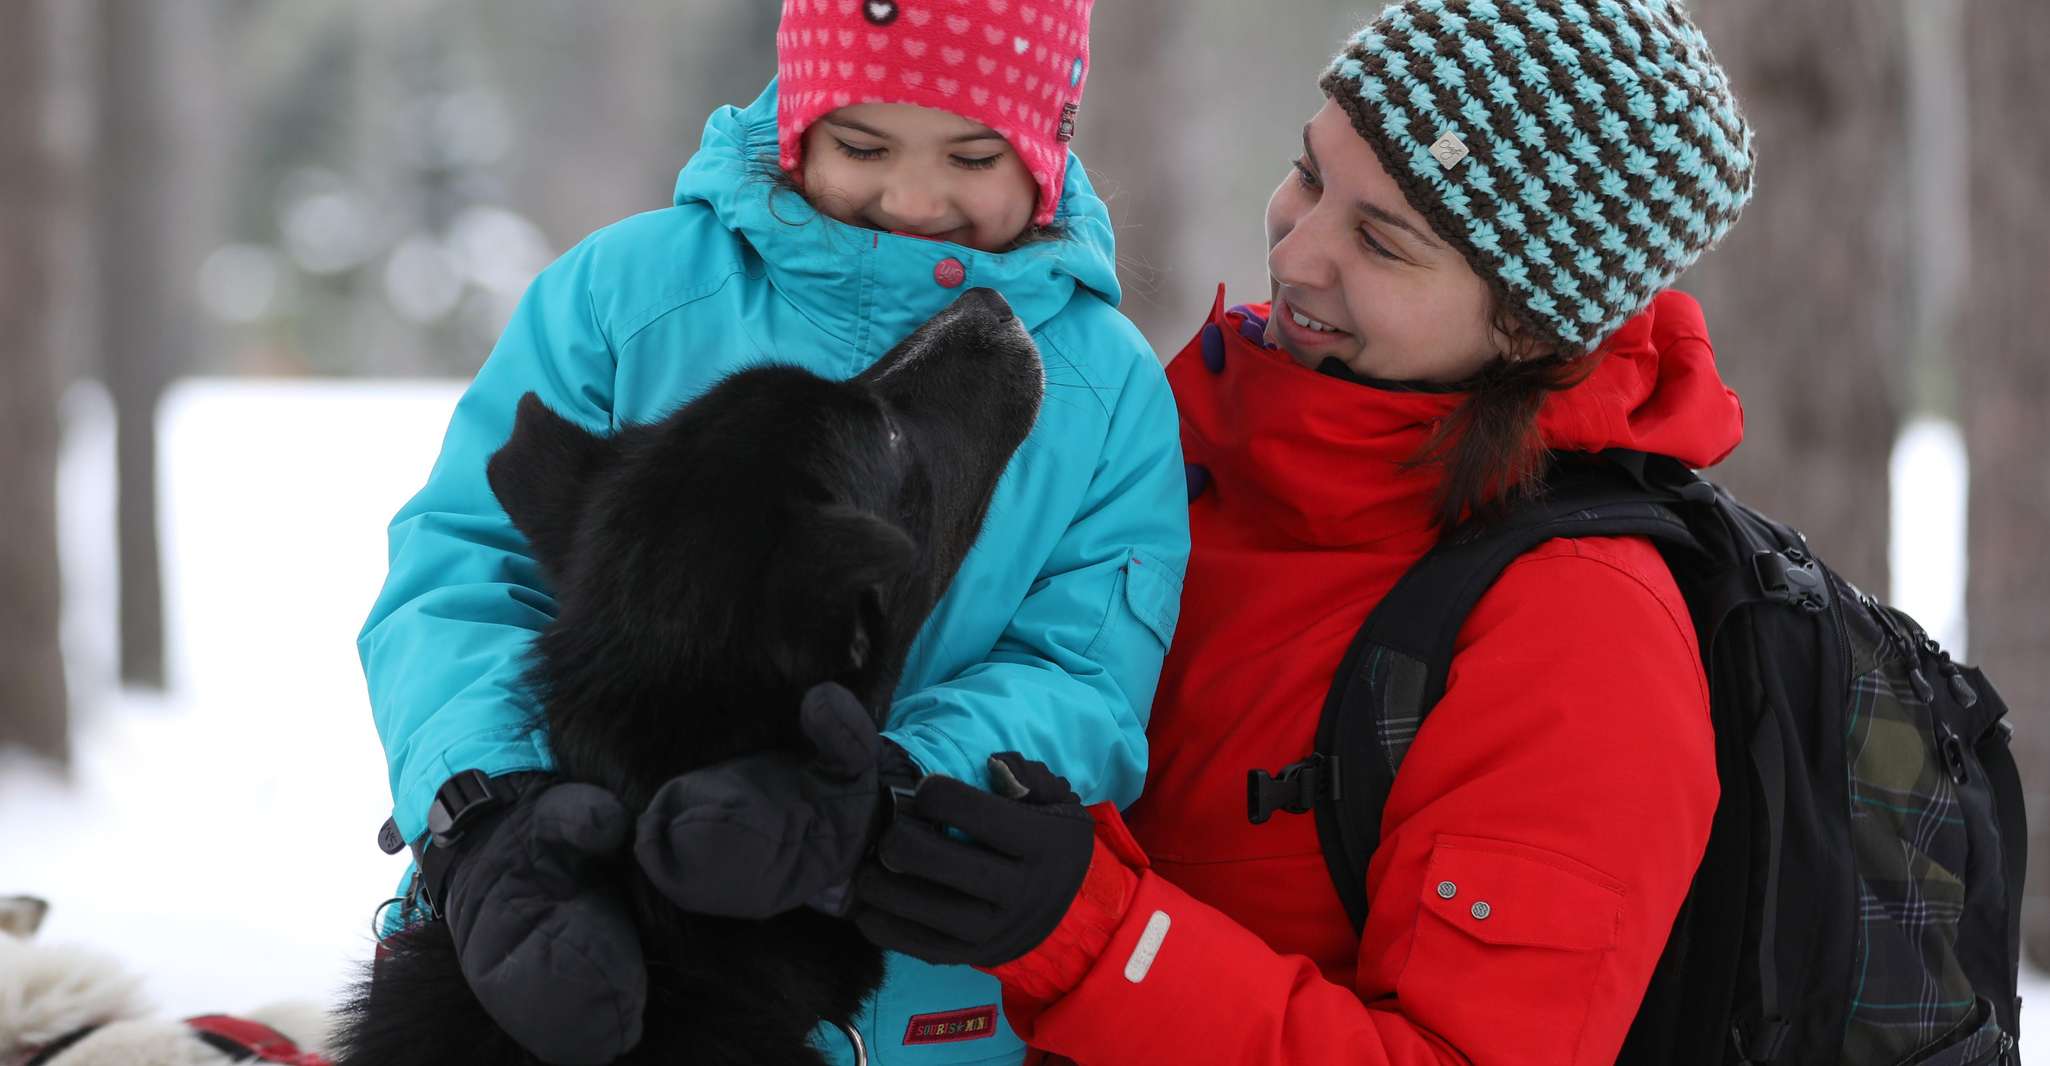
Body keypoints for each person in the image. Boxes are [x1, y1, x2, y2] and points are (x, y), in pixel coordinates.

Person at [848, 1, 1757, 1063]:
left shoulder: (1583, 632)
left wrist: (1091, 934)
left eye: (1382, 240)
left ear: (1526, 324)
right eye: (1311, 174)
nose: (1298, 248)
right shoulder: (1174, 442)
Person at [356, 0, 1188, 1061]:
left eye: (973, 155)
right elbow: (463, 575)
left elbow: (1081, 675)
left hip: (907, 1000)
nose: (913, 198)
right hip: (556, 946)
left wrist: (873, 796)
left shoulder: (1102, 387)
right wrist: (487, 805)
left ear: (1047, 148)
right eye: (862, 144)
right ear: (798, 124)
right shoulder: (626, 294)